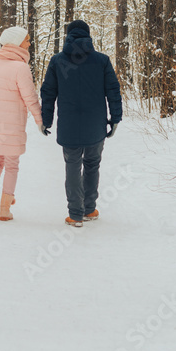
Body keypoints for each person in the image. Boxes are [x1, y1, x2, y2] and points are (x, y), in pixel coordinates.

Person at [40, 20, 123, 227]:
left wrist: (46, 121)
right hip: (95, 124)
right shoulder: (101, 61)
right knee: (92, 164)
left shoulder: (58, 61)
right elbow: (113, 90)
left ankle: (75, 214)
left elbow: (48, 93)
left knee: (72, 165)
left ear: (68, 37)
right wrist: (115, 119)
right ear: (88, 36)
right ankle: (90, 209)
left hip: (69, 123)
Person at [0, 26, 44, 221]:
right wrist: (39, 120)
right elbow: (30, 97)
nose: (29, 43)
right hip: (12, 124)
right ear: (16, 43)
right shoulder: (20, 67)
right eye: (27, 40)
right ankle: (5, 209)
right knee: (12, 165)